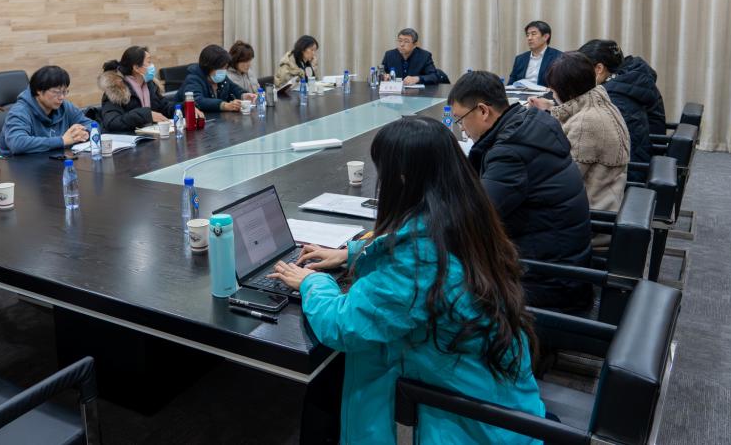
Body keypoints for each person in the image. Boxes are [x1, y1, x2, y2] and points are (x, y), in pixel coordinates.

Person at [269, 117, 545, 444]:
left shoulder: (418, 260)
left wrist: (312, 283)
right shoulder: (465, 216)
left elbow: (343, 326)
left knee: (326, 385)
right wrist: (351, 253)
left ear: (402, 178)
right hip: (499, 399)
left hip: (464, 424)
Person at [448, 70, 591, 310]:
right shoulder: (530, 124)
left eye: (460, 119)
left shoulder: (511, 152)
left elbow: (473, 219)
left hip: (547, 282)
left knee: (438, 289)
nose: (462, 129)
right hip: (562, 265)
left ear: (483, 111)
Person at [528, 52, 630, 211]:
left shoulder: (586, 123)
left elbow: (562, 181)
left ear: (568, 92)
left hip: (590, 211)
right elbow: (576, 112)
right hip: (609, 198)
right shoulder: (602, 103)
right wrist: (550, 109)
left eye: (554, 91)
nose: (553, 95)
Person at [577, 40, 664, 180]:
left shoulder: (613, 98)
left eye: (582, 70)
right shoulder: (631, 79)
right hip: (646, 156)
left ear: (599, 68)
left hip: (628, 174)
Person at [0, 65, 93, 155]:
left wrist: (84, 133)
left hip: (53, 160)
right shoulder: (20, 111)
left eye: (64, 92)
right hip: (17, 163)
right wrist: (62, 141)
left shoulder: (64, 106)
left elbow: (92, 125)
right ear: (39, 90)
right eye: (56, 92)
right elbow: (17, 143)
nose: (61, 97)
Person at [99, 46, 176, 133]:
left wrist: (183, 108)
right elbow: (112, 122)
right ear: (136, 68)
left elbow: (165, 108)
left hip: (151, 136)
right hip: (129, 138)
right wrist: (145, 115)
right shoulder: (116, 90)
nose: (152, 66)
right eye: (149, 62)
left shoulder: (150, 85)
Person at [177, 44, 255, 112]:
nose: (224, 71)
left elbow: (233, 88)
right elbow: (196, 100)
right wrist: (223, 105)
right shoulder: (193, 79)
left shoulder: (221, 78)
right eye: (221, 68)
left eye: (225, 67)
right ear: (209, 66)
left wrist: (244, 95)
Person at [508, 21, 562, 86]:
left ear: (545, 37)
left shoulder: (558, 57)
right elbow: (511, 83)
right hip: (521, 92)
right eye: (527, 35)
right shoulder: (520, 59)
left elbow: (561, 84)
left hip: (545, 92)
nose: (529, 38)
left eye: (533, 34)